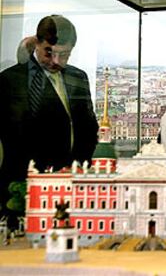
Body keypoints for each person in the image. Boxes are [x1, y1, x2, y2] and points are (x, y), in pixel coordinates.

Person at [0, 15, 99, 222]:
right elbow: (15, 137)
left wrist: (83, 169)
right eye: (50, 53)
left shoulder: (78, 77)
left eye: (64, 55)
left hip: (74, 182)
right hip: (25, 186)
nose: (56, 61)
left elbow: (88, 127)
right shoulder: (10, 81)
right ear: (36, 43)